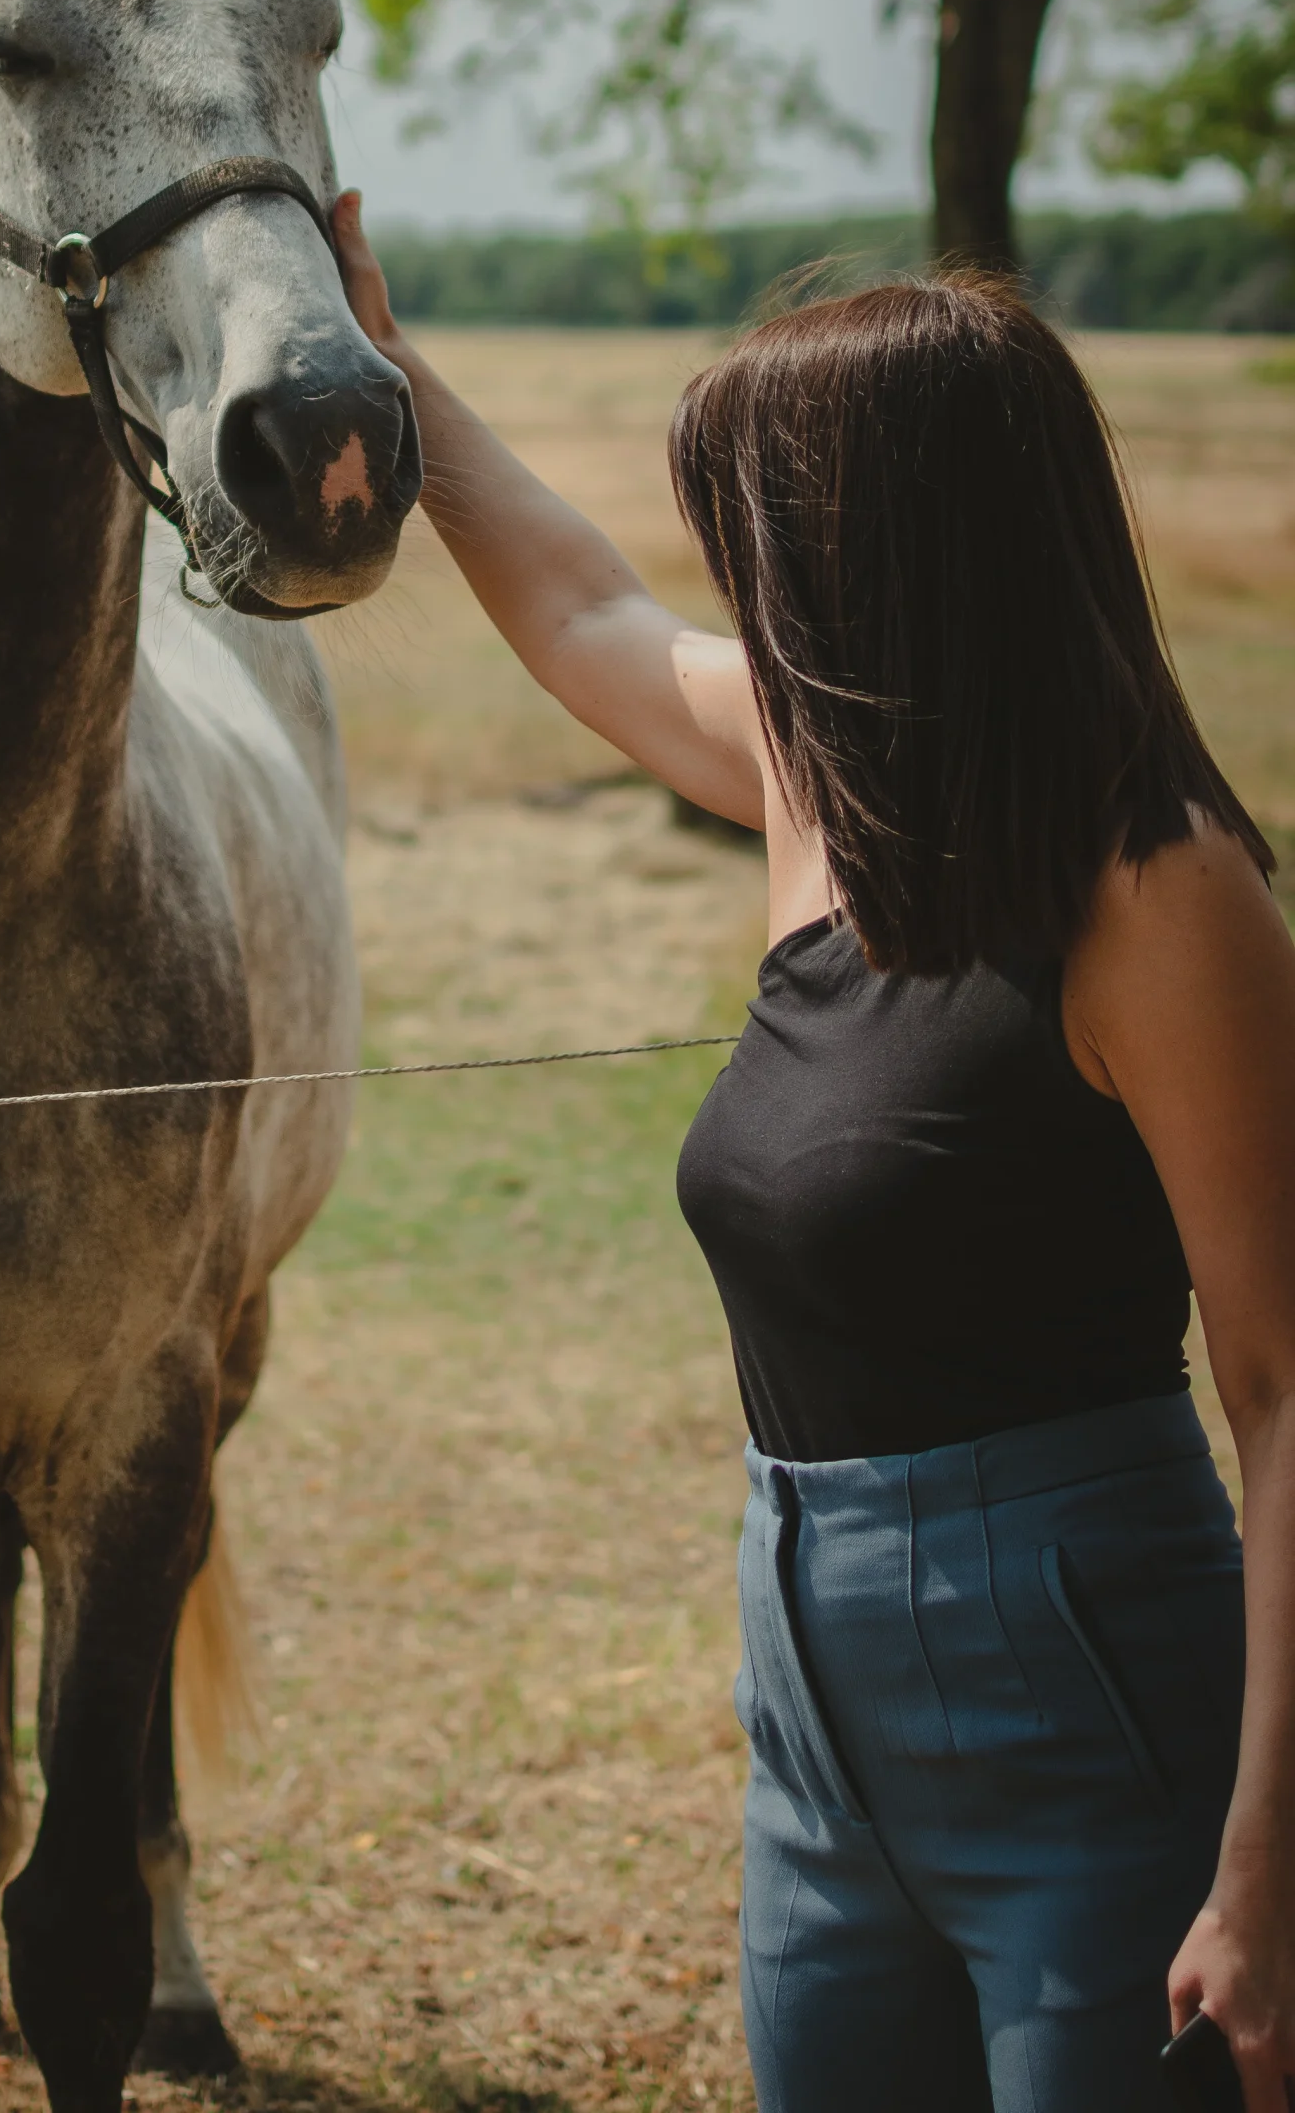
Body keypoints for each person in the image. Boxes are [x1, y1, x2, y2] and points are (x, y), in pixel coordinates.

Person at [329, 192, 1295, 2113]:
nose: (733, 572)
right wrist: (392, 364)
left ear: (896, 549)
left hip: (1089, 1694)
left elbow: (1282, 1386)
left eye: (758, 528)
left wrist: (1266, 1867)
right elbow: (587, 611)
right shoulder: (818, 787)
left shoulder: (1152, 882)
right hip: (808, 1704)